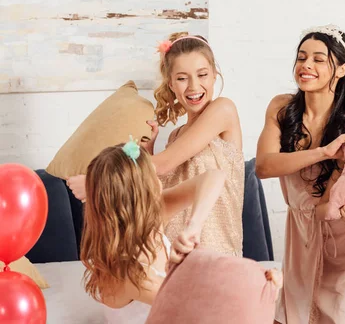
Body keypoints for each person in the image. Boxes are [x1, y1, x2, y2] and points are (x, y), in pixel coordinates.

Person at [69, 32, 245, 256]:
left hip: (216, 255)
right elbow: (160, 197)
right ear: (171, 84)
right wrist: (148, 152)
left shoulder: (223, 110)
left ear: (214, 76)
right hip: (173, 254)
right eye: (182, 78)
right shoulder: (175, 137)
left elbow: (162, 165)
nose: (194, 86)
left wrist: (96, 182)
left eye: (202, 75)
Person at [256, 24, 345, 323]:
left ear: (340, 69)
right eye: (301, 58)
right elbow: (264, 166)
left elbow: (325, 209)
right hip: (301, 241)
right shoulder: (282, 108)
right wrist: (324, 152)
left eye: (317, 59)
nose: (306, 66)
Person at [80, 138, 226, 323]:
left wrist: (194, 226)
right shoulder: (130, 272)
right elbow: (195, 309)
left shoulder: (153, 216)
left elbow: (214, 176)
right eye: (153, 175)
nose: (159, 181)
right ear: (142, 192)